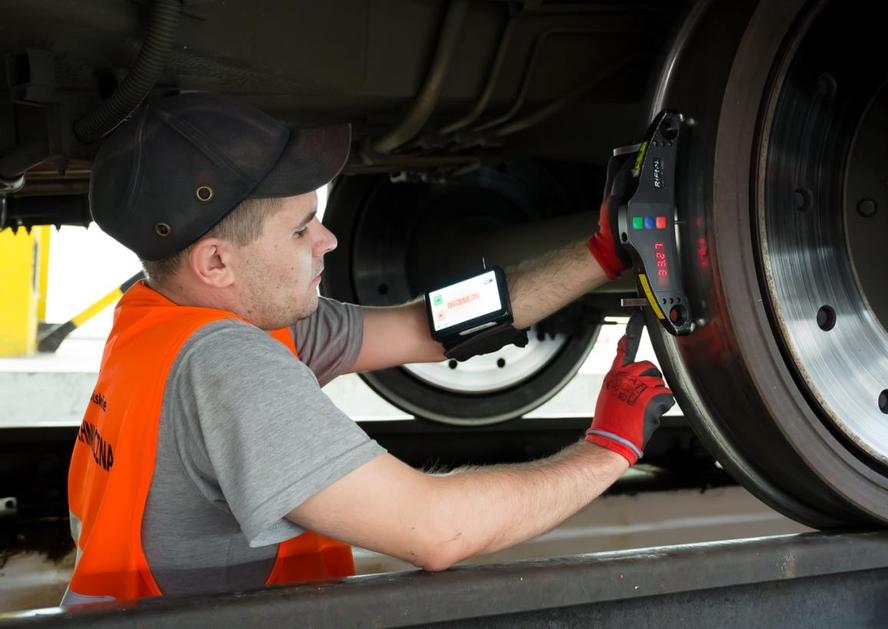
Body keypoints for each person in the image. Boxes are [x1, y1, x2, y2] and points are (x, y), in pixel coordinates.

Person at [62, 92, 675, 606]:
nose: (329, 240)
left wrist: (598, 253)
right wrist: (609, 447)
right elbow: (437, 531)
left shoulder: (158, 318)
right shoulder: (228, 366)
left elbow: (431, 328)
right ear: (216, 261)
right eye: (301, 228)